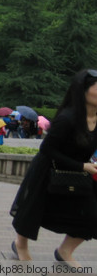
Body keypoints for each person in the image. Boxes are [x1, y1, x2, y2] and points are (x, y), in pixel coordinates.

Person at [10, 69, 97, 265]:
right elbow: (47, 149)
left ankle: (65, 251)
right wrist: (82, 165)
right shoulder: (67, 119)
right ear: (83, 91)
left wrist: (84, 166)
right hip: (48, 170)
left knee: (91, 215)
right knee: (32, 212)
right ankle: (20, 244)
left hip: (80, 172)